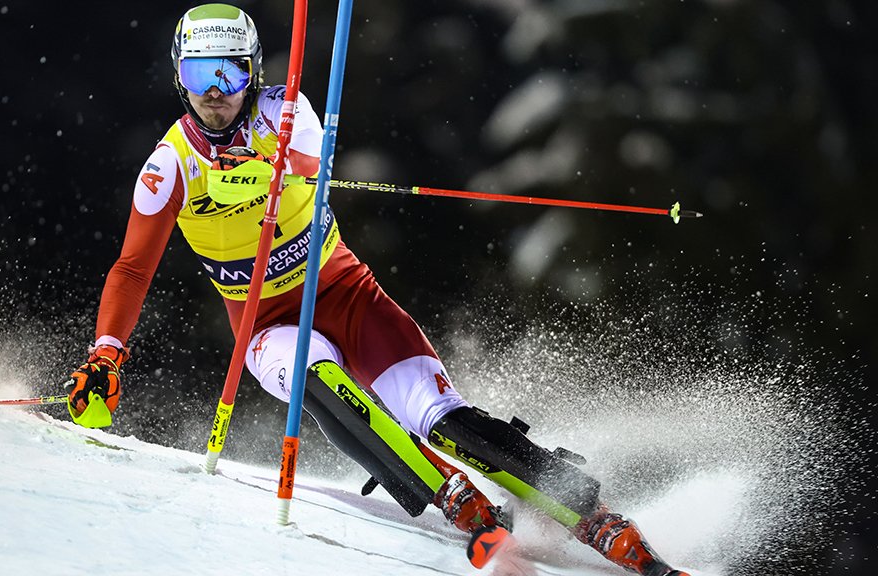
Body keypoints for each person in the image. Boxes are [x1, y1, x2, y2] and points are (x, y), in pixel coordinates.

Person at [65, 4, 689, 574]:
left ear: (252, 72)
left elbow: (311, 167)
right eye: (199, 76)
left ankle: (593, 515)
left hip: (347, 294)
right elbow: (131, 269)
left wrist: (262, 172)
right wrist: (107, 354)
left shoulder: (287, 114)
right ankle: (456, 500)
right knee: (316, 378)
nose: (215, 95)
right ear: (179, 78)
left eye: (228, 74)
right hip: (265, 327)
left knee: (442, 418)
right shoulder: (169, 165)